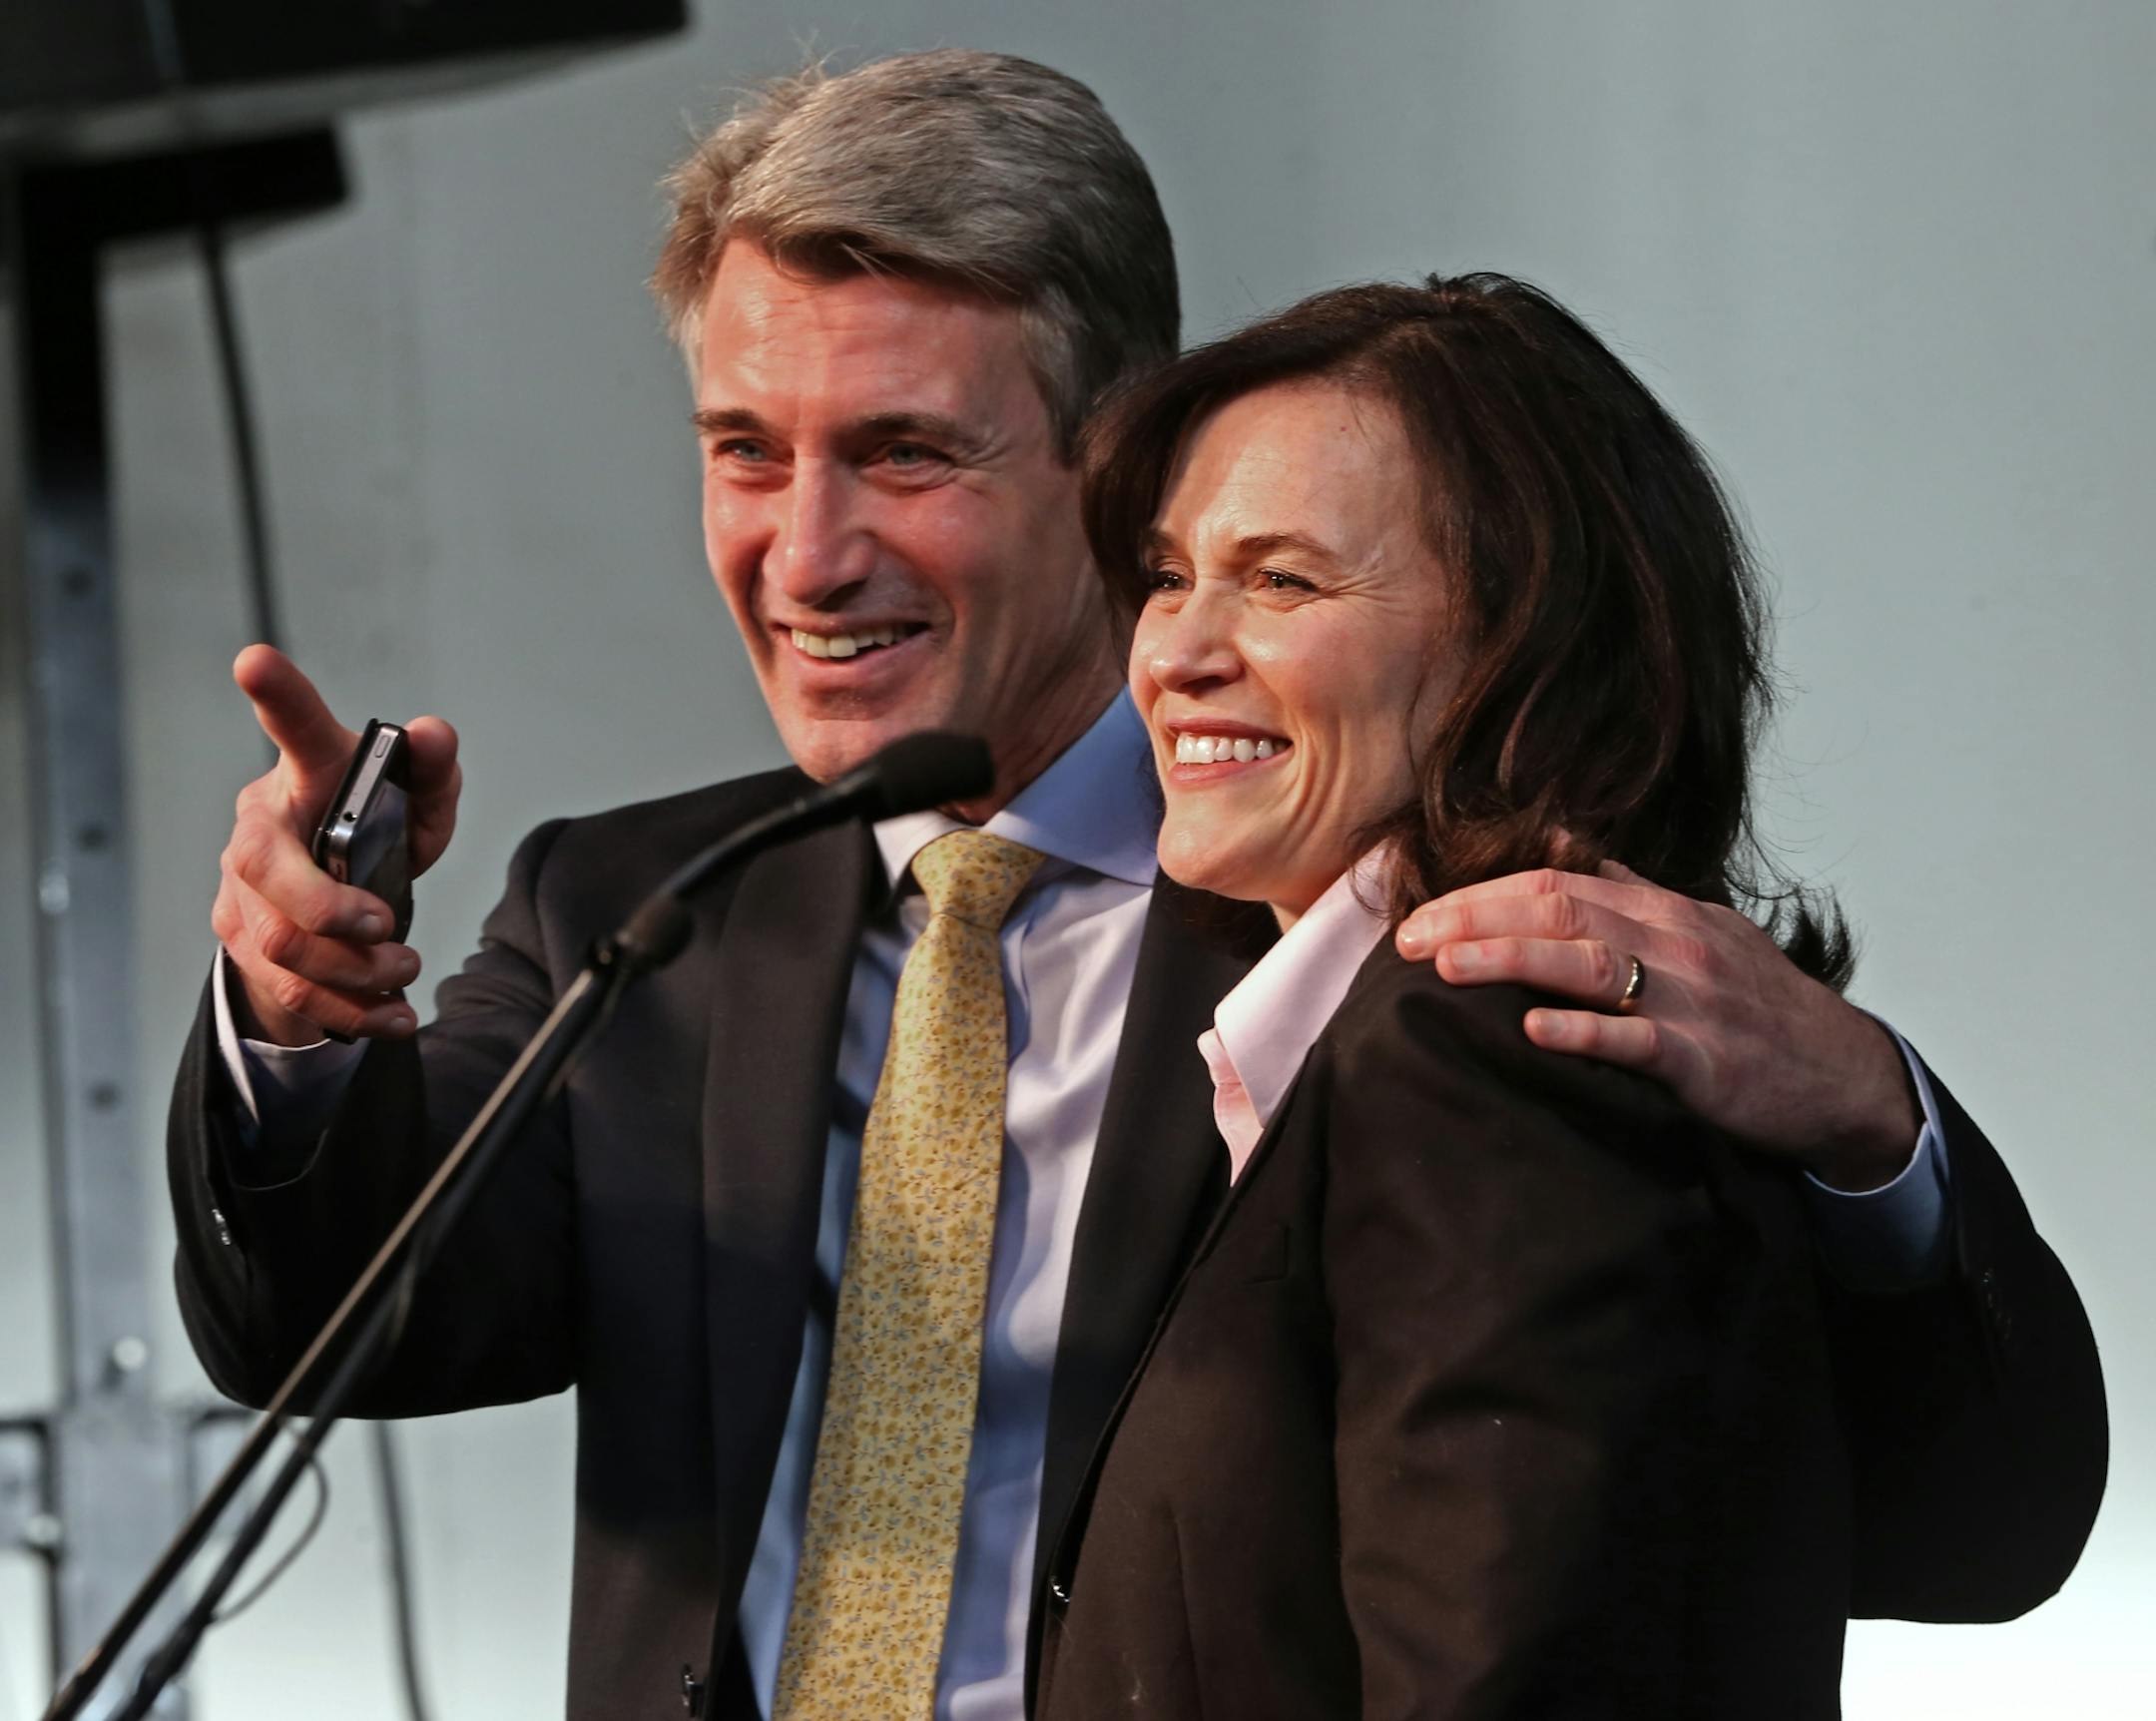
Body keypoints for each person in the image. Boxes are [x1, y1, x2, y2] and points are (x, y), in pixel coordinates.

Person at [169, 52, 2103, 1721]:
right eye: (747, 452)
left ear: (1116, 451)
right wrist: (295, 1028)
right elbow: (331, 1323)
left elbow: (1910, 1518)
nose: (808, 552)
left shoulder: (1417, 955)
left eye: (906, 452)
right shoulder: (648, 900)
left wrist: (1875, 1122)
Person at [1031, 272, 2097, 1719]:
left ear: (1518, 642)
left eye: (1282, 578)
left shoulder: (1485, 1044)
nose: (1174, 653)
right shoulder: (1311, 1046)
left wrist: (1875, 1121)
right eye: (1169, 575)